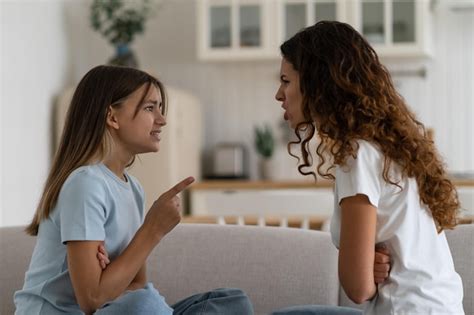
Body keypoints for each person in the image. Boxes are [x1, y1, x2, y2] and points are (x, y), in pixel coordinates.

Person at [14, 65, 254, 315]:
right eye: (150, 108)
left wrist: (111, 275)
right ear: (112, 117)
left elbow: (135, 284)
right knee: (145, 304)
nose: (162, 120)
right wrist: (153, 228)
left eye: (160, 108)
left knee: (234, 302)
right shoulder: (85, 184)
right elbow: (92, 299)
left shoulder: (134, 189)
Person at [273, 21, 464, 314]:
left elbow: (358, 288)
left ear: (317, 83)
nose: (279, 94)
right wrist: (368, 264)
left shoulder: (357, 154)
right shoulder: (390, 146)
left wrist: (365, 270)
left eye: (286, 81)